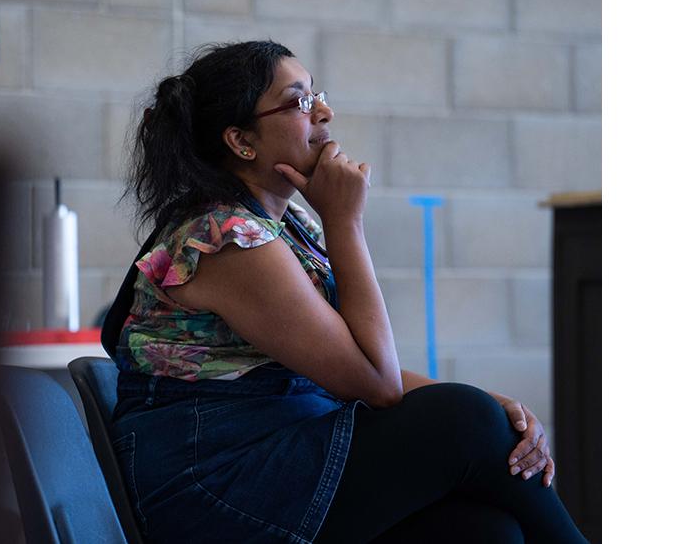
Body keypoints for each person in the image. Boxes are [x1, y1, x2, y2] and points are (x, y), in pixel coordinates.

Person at [101, 40, 589, 543]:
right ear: (242, 141)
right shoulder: (227, 239)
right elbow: (377, 383)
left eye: (317, 95)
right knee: (468, 421)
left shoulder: (284, 224)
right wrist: (345, 222)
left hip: (272, 444)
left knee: (486, 530)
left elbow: (352, 362)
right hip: (211, 483)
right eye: (299, 102)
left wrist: (492, 405)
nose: (324, 113)